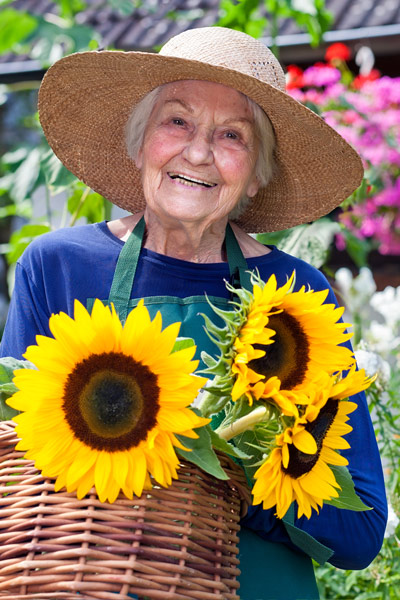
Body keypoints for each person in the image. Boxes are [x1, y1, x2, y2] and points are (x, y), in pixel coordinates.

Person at [0, 27, 387, 600]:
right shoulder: (58, 267)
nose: (199, 152)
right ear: (138, 143)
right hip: (88, 580)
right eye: (176, 121)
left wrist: (230, 470)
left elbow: (359, 532)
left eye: (232, 135)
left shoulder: (295, 295)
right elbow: (14, 470)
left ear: (257, 173)